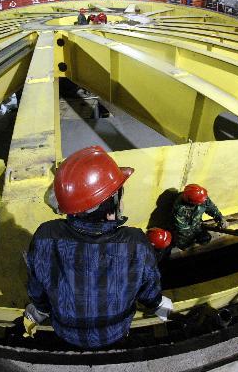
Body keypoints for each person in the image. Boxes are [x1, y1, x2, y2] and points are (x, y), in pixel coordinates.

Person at [24, 146, 172, 348]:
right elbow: (148, 290)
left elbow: (36, 287)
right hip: (115, 331)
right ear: (113, 201)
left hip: (64, 331)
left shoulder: (45, 237)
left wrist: (40, 309)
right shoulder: (135, 243)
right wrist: (157, 304)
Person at [172, 183, 227, 250]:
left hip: (197, 223)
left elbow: (211, 208)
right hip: (186, 230)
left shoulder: (201, 197)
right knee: (184, 245)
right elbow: (182, 228)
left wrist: (220, 218)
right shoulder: (180, 209)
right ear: (191, 202)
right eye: (200, 202)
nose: (204, 201)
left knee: (205, 239)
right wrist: (196, 236)